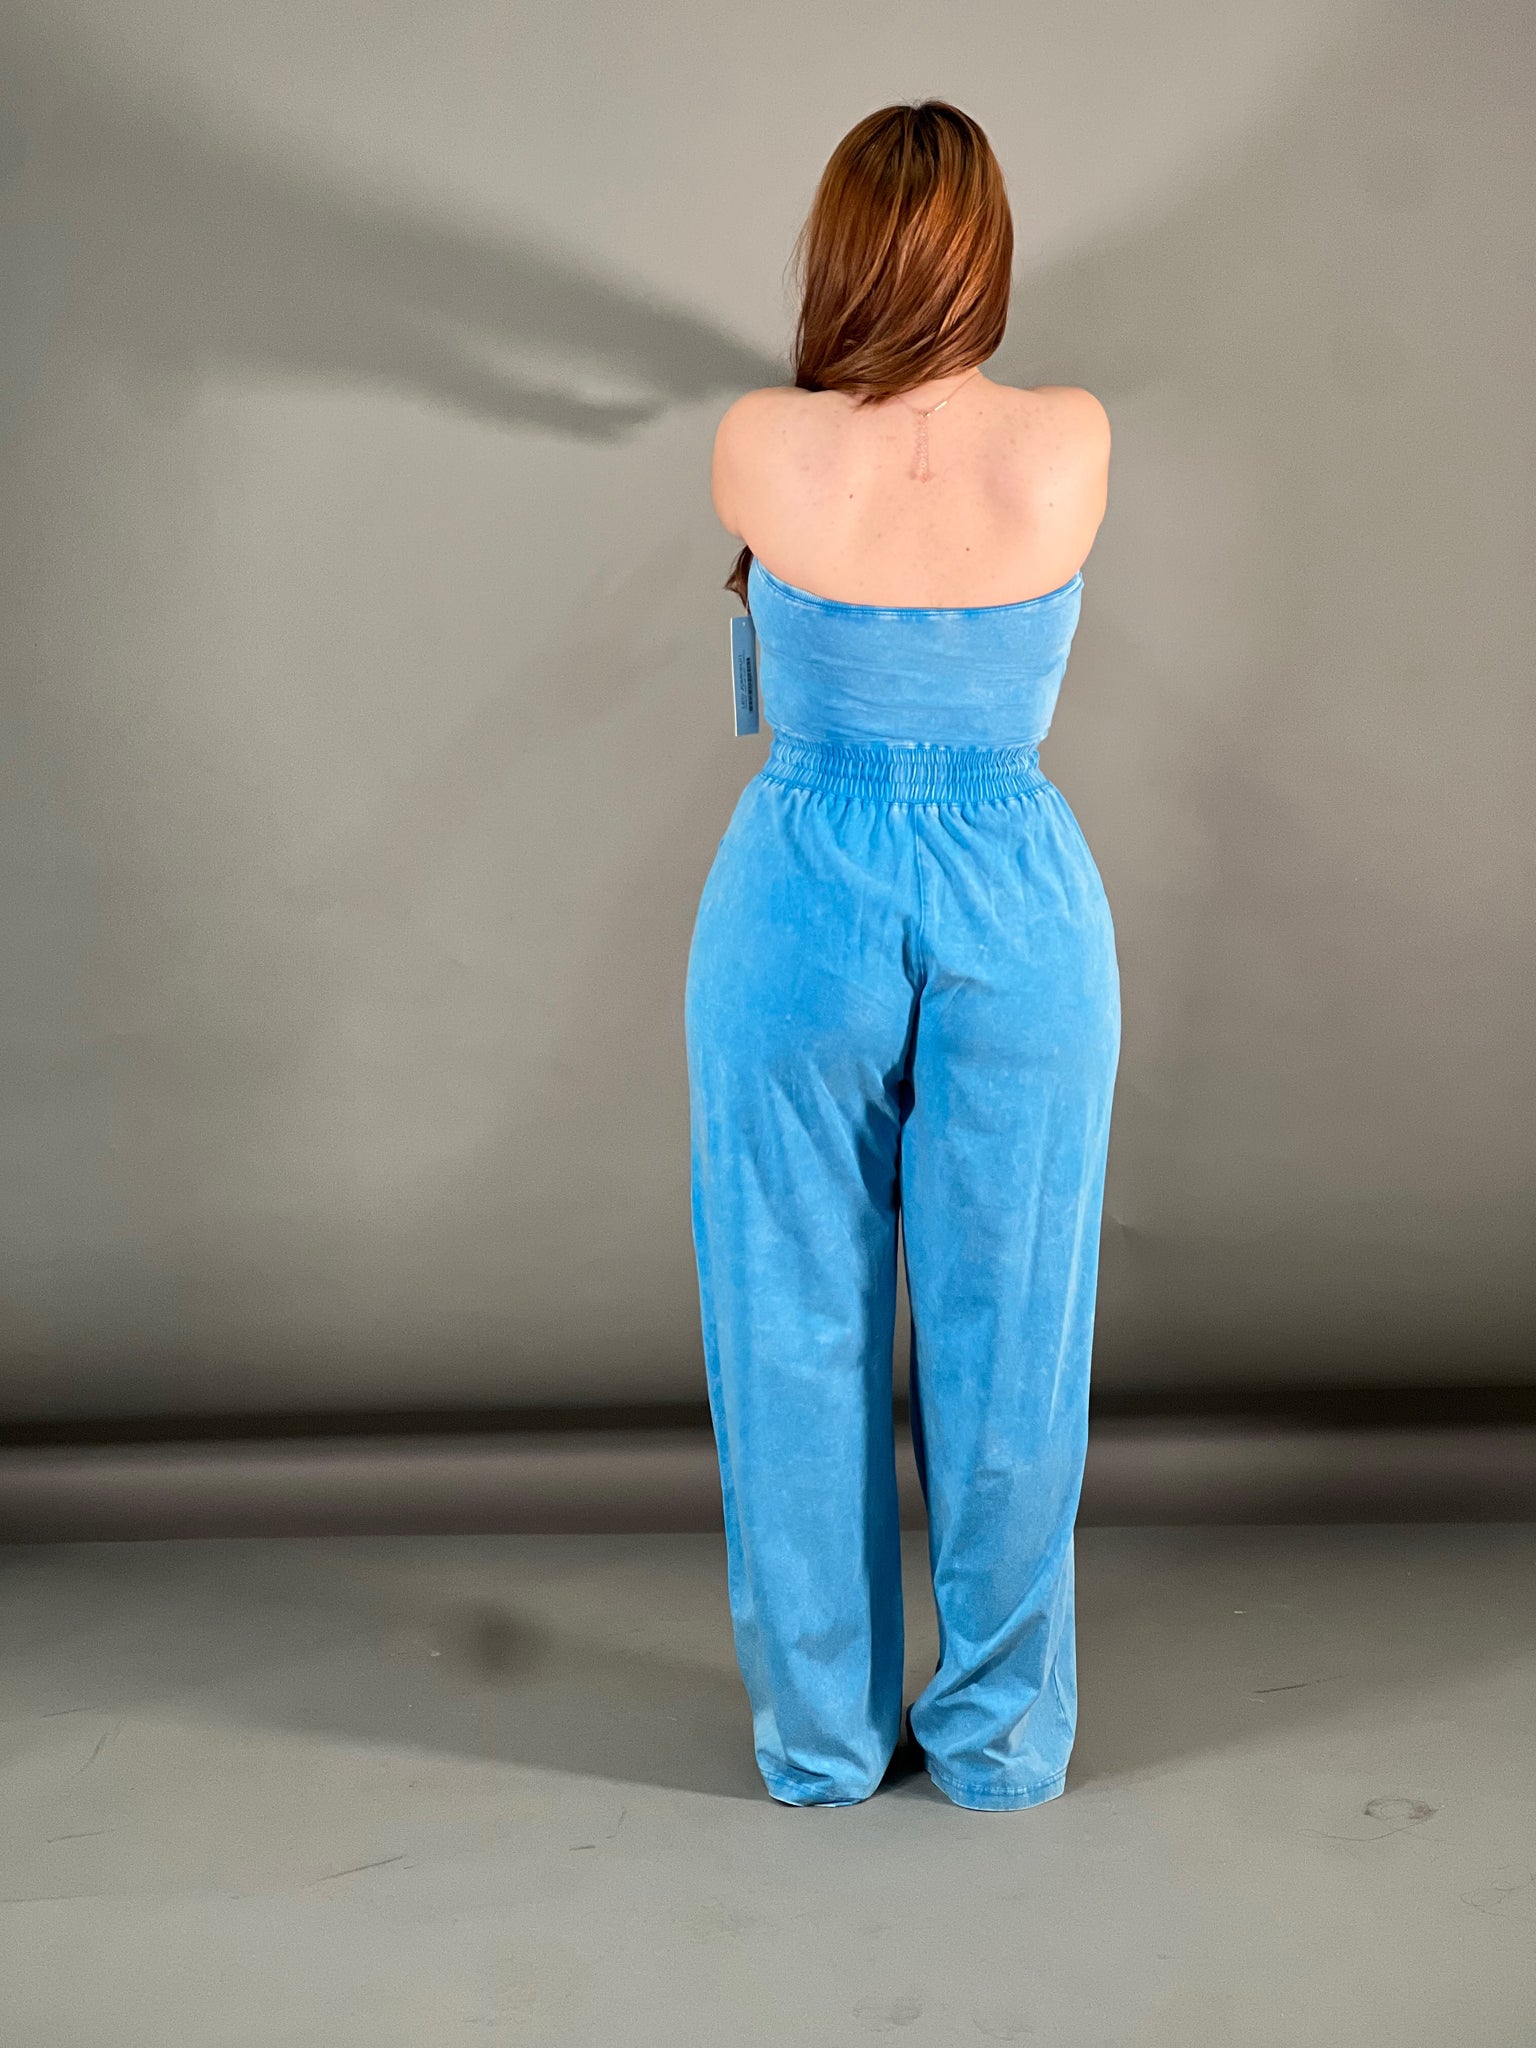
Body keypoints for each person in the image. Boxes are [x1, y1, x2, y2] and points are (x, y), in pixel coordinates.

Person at [684, 100, 1120, 1812]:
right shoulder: (1070, 440)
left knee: (789, 1320)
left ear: (841, 251)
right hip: (1019, 892)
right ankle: (1000, 1741)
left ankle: (820, 1740)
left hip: (802, 889)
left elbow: (819, 438)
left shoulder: (759, 445)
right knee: (1016, 1334)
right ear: (986, 253)